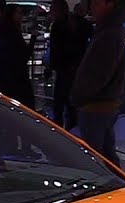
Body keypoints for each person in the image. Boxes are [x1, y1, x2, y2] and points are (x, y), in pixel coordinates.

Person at [71, 0, 125, 165]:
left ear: (109, 4)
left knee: (93, 158)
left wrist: (80, 96)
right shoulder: (109, 31)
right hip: (103, 102)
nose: (92, 8)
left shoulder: (108, 34)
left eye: (96, 4)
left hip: (96, 104)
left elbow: (99, 73)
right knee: (106, 154)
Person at [48, 0, 89, 129]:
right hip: (75, 66)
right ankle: (72, 126)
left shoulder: (58, 26)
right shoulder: (79, 24)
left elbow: (55, 48)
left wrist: (51, 66)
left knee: (59, 101)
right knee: (70, 101)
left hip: (63, 67)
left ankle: (59, 127)